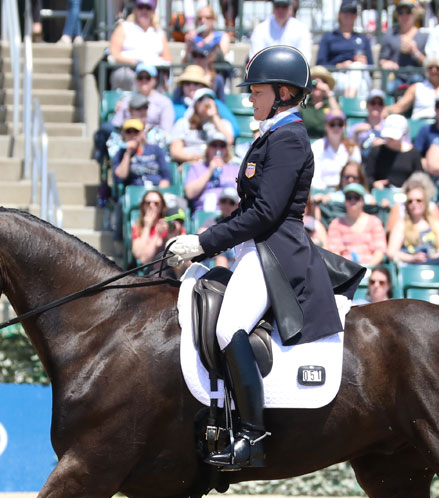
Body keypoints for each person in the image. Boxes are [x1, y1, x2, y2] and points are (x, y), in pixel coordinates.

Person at [165, 45, 364, 468]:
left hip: (277, 251)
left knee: (228, 327)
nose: (249, 98)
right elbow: (248, 209)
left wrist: (205, 244)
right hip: (257, 249)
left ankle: (251, 439)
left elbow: (266, 213)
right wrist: (203, 237)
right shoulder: (271, 135)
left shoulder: (289, 139)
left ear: (283, 92)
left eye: (256, 91)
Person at [387, 173, 439, 264]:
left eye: (418, 200)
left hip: (433, 262)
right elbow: (391, 252)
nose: (414, 204)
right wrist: (411, 258)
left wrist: (434, 257)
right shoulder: (401, 225)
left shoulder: (436, 224)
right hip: (411, 265)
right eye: (410, 201)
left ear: (425, 203)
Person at [107, 0, 171, 91]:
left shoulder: (159, 32)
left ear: (153, 11)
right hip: (128, 70)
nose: (144, 11)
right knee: (128, 76)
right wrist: (133, 62)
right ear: (135, 10)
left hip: (153, 72)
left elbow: (168, 59)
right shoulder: (124, 27)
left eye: (148, 8)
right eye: (141, 7)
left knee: (156, 79)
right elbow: (113, 54)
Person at [316, 0, 373, 99]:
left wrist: (365, 63)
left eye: (352, 12)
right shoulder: (329, 37)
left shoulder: (363, 39)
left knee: (357, 68)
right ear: (339, 14)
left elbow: (372, 67)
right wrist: (339, 66)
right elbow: (320, 63)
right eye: (346, 11)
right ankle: (350, 102)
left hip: (361, 75)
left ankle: (348, 101)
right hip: (337, 74)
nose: (349, 15)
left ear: (356, 16)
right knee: (358, 84)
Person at [326, 182, 388, 264]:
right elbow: (335, 252)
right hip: (345, 270)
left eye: (356, 197)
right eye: (349, 197)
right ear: (345, 201)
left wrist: (367, 268)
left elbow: (379, 250)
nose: (352, 200)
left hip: (370, 269)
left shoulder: (374, 221)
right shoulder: (336, 224)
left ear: (362, 201)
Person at [169, 88, 235, 164]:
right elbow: (175, 151)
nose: (206, 102)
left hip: (217, 165)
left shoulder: (224, 123)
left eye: (210, 99)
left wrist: (214, 116)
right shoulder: (183, 123)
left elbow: (229, 141)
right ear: (195, 104)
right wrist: (191, 158)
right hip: (191, 165)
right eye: (201, 99)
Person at [108, 63, 175, 137]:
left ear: (155, 79)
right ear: (136, 80)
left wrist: (148, 132)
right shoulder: (127, 100)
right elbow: (115, 125)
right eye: (140, 77)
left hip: (152, 141)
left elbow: (167, 132)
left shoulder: (165, 102)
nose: (144, 80)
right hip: (128, 137)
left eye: (147, 77)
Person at [378, 0, 429, 93]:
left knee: (418, 84)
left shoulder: (424, 37)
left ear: (414, 14)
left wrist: (415, 52)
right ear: (397, 15)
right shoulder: (390, 35)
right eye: (401, 13)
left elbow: (429, 64)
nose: (404, 16)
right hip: (396, 77)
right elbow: (381, 60)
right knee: (388, 89)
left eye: (408, 12)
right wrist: (386, 63)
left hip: (418, 78)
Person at [184, 131, 239, 214]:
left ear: (226, 149)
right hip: (204, 211)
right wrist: (210, 170)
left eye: (222, 146)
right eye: (214, 145)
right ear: (208, 148)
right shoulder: (197, 167)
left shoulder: (235, 168)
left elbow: (240, 194)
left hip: (230, 211)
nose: (218, 149)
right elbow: (190, 194)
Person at [364, 114, 422, 189]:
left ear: (403, 134)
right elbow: (367, 176)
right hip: (381, 194)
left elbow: (419, 179)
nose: (390, 139)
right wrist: (374, 184)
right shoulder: (376, 151)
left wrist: (407, 188)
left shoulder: (413, 154)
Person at [387, 56, 439, 121]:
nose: (434, 70)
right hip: (419, 125)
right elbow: (399, 107)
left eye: (438, 68)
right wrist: (382, 109)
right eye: (430, 67)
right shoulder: (416, 87)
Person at [112, 118, 171, 189]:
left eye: (136, 131)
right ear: (124, 135)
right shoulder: (121, 152)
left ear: (143, 133)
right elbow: (120, 177)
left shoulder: (156, 149)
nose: (132, 135)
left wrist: (159, 191)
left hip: (156, 188)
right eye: (129, 132)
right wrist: (128, 154)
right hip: (135, 191)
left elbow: (166, 177)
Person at [311, 111, 360, 191]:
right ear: (326, 126)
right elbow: (314, 176)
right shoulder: (317, 146)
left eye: (340, 124)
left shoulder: (353, 148)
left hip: (347, 192)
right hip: (321, 191)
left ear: (344, 126)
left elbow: (355, 175)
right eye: (332, 124)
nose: (336, 127)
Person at [299, 65, 341, 139]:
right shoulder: (304, 104)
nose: (316, 85)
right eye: (313, 82)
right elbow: (294, 111)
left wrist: (328, 92)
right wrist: (305, 91)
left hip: (326, 143)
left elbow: (338, 117)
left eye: (321, 81)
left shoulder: (330, 103)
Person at [131, 188, 169, 266]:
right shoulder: (138, 227)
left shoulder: (167, 225)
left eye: (156, 203)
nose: (151, 206)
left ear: (162, 206)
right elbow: (141, 257)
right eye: (148, 203)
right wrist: (147, 227)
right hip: (149, 269)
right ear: (143, 206)